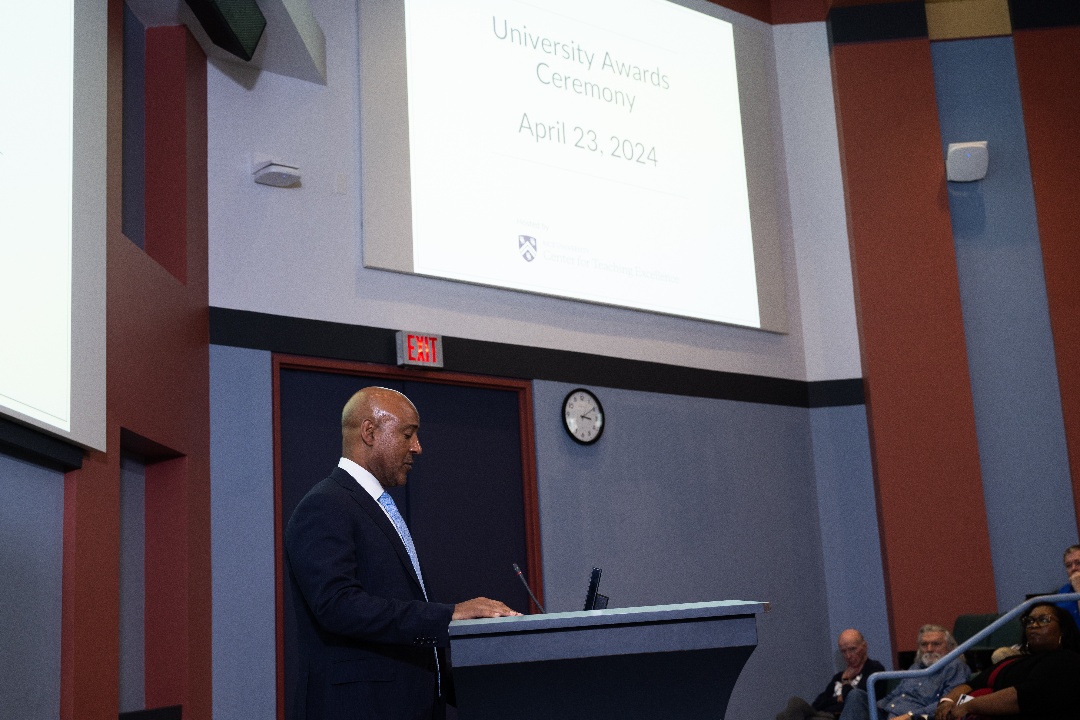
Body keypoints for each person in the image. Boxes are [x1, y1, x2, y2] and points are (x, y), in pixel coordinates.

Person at [284, 387, 521, 720]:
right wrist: (449, 614)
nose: (417, 447)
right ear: (369, 432)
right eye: (407, 434)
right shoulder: (325, 505)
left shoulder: (376, 507)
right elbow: (337, 606)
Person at [934, 602, 1080, 720]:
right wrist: (948, 702)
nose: (1033, 625)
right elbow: (970, 685)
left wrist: (969, 706)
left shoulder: (1067, 661)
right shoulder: (1014, 660)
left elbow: (1022, 697)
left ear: (1063, 629)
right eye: (1029, 621)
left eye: (1043, 620)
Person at [840, 625, 969, 720]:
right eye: (924, 645)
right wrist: (876, 707)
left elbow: (947, 702)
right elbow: (895, 695)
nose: (929, 649)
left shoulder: (954, 666)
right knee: (856, 695)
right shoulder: (916, 667)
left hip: (915, 717)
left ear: (950, 647)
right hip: (888, 714)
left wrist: (910, 715)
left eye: (936, 644)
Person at [777, 629, 887, 720]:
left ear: (864, 646)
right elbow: (818, 704)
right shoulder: (838, 677)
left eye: (852, 649)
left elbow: (858, 700)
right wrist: (838, 698)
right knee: (792, 707)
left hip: (844, 716)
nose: (848, 656)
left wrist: (846, 681)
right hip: (825, 714)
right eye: (843, 651)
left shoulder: (874, 671)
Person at [1053, 544, 1080, 628]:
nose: (1073, 568)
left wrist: (1078, 589)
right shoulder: (1062, 593)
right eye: (1068, 566)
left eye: (1078, 563)